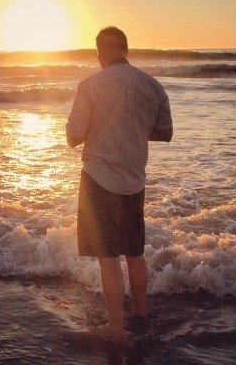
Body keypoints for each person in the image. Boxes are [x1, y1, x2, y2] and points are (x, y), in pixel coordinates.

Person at [66, 26, 173, 340]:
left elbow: (73, 137)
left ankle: (116, 328)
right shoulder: (152, 86)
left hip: (99, 178)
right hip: (134, 180)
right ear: (126, 49)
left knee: (108, 256)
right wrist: (134, 130)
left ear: (101, 51)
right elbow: (165, 132)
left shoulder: (90, 85)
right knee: (134, 251)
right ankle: (139, 314)